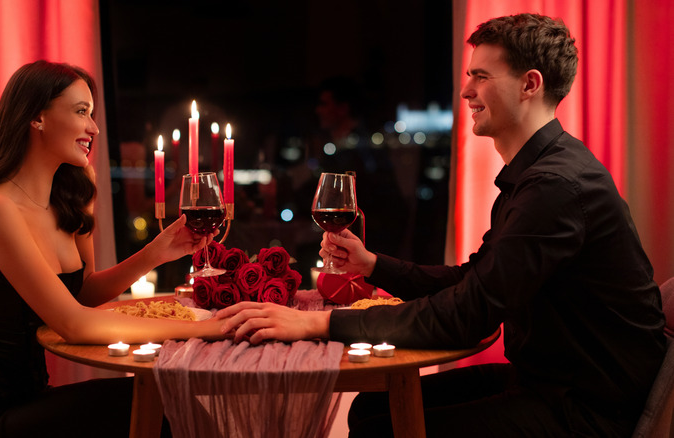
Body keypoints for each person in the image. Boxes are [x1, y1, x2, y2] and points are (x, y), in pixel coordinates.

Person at [218, 13, 666, 437]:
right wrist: (373, 265)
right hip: (550, 383)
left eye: (481, 76)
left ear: (530, 84)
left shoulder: (555, 187)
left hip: (588, 409)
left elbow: (467, 315)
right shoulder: (539, 174)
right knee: (371, 408)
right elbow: (474, 281)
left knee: (380, 428)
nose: (466, 91)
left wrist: (318, 325)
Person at [0, 60, 224, 438]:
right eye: (81, 112)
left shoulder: (69, 196)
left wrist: (155, 252)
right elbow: (73, 324)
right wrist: (209, 328)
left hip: (31, 396)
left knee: (169, 403)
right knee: (165, 407)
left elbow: (84, 292)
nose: (94, 128)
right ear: (37, 118)